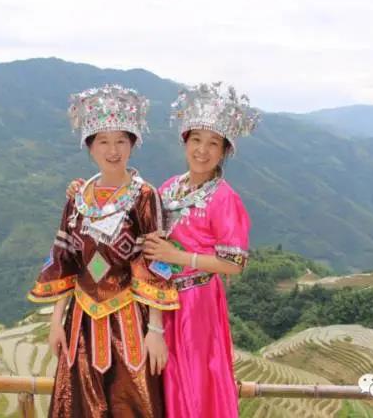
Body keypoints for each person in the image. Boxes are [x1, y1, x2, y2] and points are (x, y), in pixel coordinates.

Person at [28, 84, 179, 417]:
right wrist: (56, 322)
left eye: (121, 141)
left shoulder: (144, 196)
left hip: (130, 325)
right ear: (90, 147)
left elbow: (152, 263)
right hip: (80, 322)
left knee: (134, 403)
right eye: (103, 142)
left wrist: (156, 331)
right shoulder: (78, 197)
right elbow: (66, 261)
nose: (113, 151)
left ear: (133, 144)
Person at [143, 82, 258, 418]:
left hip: (198, 304)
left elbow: (234, 263)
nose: (202, 150)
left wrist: (179, 257)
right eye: (196, 140)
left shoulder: (225, 199)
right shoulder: (168, 188)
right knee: (161, 383)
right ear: (185, 142)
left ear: (224, 151)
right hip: (161, 300)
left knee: (195, 382)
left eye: (213, 144)